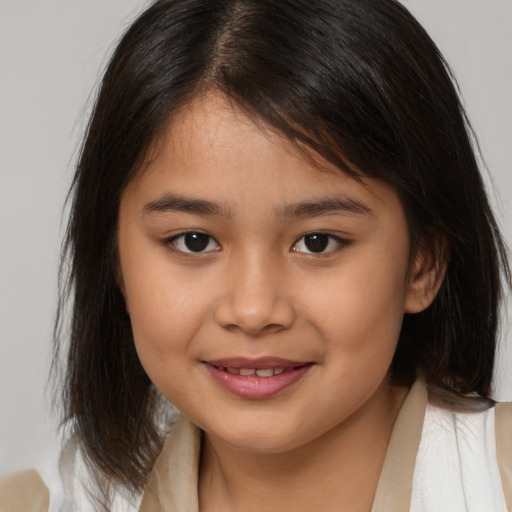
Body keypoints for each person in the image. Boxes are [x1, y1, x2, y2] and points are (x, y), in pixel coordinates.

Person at [1, 0, 511, 511]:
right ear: (115, 259)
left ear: (422, 264)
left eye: (318, 242)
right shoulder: (55, 499)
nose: (252, 310)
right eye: (193, 241)